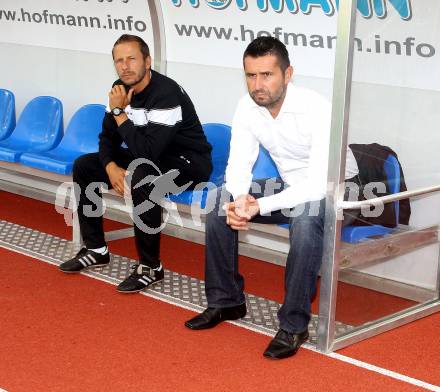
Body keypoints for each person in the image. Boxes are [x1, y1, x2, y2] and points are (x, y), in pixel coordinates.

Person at [184, 37, 358, 359]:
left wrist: (257, 206)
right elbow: (239, 162)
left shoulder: (317, 108)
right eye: (251, 75)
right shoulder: (247, 106)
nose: (257, 84)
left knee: (305, 220)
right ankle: (226, 301)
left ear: (288, 74)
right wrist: (238, 201)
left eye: (267, 75)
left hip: (340, 187)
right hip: (291, 185)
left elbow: (319, 185)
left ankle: (293, 324)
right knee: (218, 204)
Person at [59, 34, 212, 293]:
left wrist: (119, 112)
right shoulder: (119, 88)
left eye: (131, 59)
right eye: (119, 61)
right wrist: (110, 166)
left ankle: (151, 267)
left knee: (143, 176)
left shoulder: (166, 94)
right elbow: (107, 137)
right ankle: (96, 249)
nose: (125, 66)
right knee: (85, 165)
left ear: (148, 61)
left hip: (188, 163)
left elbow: (149, 151)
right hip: (150, 158)